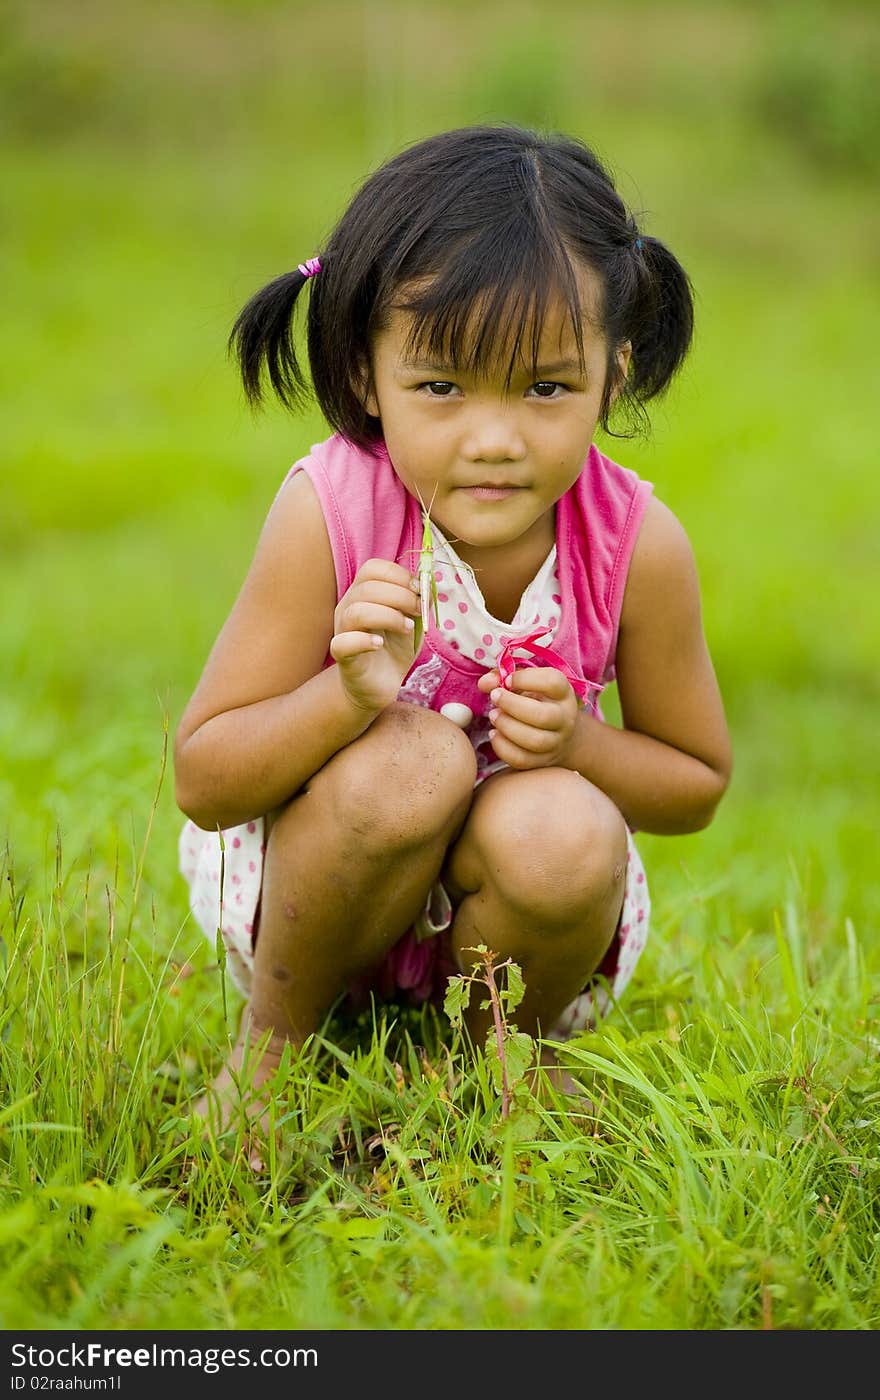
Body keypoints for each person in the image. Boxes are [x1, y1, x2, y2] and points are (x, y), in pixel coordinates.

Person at [174, 124, 732, 1136]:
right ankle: (276, 1045)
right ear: (362, 376)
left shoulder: (634, 543)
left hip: (518, 913)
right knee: (412, 758)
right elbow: (205, 777)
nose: (493, 437)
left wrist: (579, 744)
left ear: (613, 373)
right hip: (321, 896)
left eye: (545, 386)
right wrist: (343, 697)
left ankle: (499, 1054)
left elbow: (694, 780)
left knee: (565, 823)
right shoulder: (332, 509)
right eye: (440, 385)